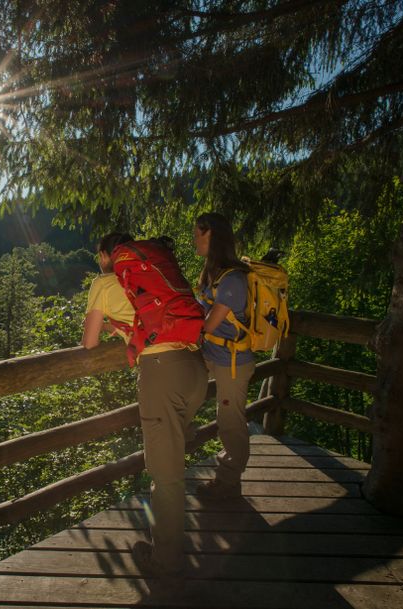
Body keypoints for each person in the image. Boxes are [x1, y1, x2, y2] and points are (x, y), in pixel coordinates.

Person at [81, 232, 208, 578]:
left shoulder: (104, 283)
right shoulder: (150, 275)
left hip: (161, 372)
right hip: (195, 367)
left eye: (99, 256)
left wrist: (106, 324)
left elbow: (89, 342)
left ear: (106, 255)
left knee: (165, 475)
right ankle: (173, 531)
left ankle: (165, 560)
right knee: (173, 453)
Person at [193, 212, 255, 499]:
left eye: (199, 234)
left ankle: (229, 482)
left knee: (230, 421)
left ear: (213, 237)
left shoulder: (232, 280)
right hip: (212, 354)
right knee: (182, 388)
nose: (194, 239)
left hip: (232, 362)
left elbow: (208, 325)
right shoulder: (213, 273)